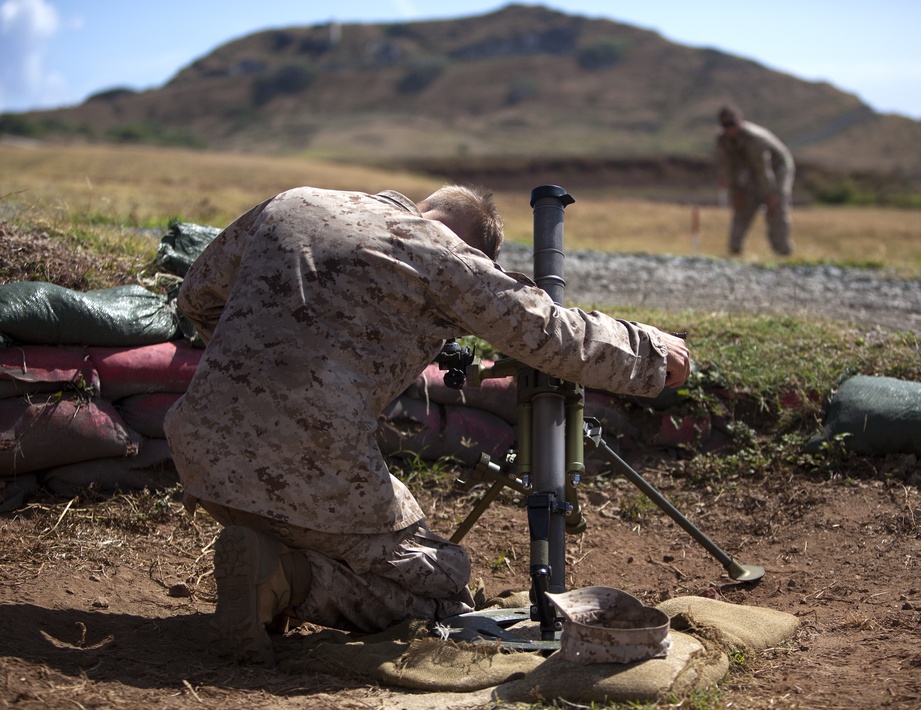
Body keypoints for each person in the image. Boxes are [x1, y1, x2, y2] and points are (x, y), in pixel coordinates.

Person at [163, 184, 691, 666]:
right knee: (441, 584)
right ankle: (286, 578)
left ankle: (269, 559)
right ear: (475, 248)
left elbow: (196, 295)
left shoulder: (294, 201)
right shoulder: (440, 251)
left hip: (200, 450)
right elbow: (545, 330)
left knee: (337, 524)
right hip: (312, 467)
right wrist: (650, 351)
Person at [715, 105, 795, 256]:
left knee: (775, 207)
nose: (729, 128)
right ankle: (734, 250)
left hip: (777, 168)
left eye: (732, 123)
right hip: (752, 171)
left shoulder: (754, 140)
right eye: (725, 125)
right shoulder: (722, 140)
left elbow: (763, 170)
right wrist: (735, 194)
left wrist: (770, 195)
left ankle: (783, 252)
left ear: (741, 121)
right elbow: (727, 169)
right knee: (742, 206)